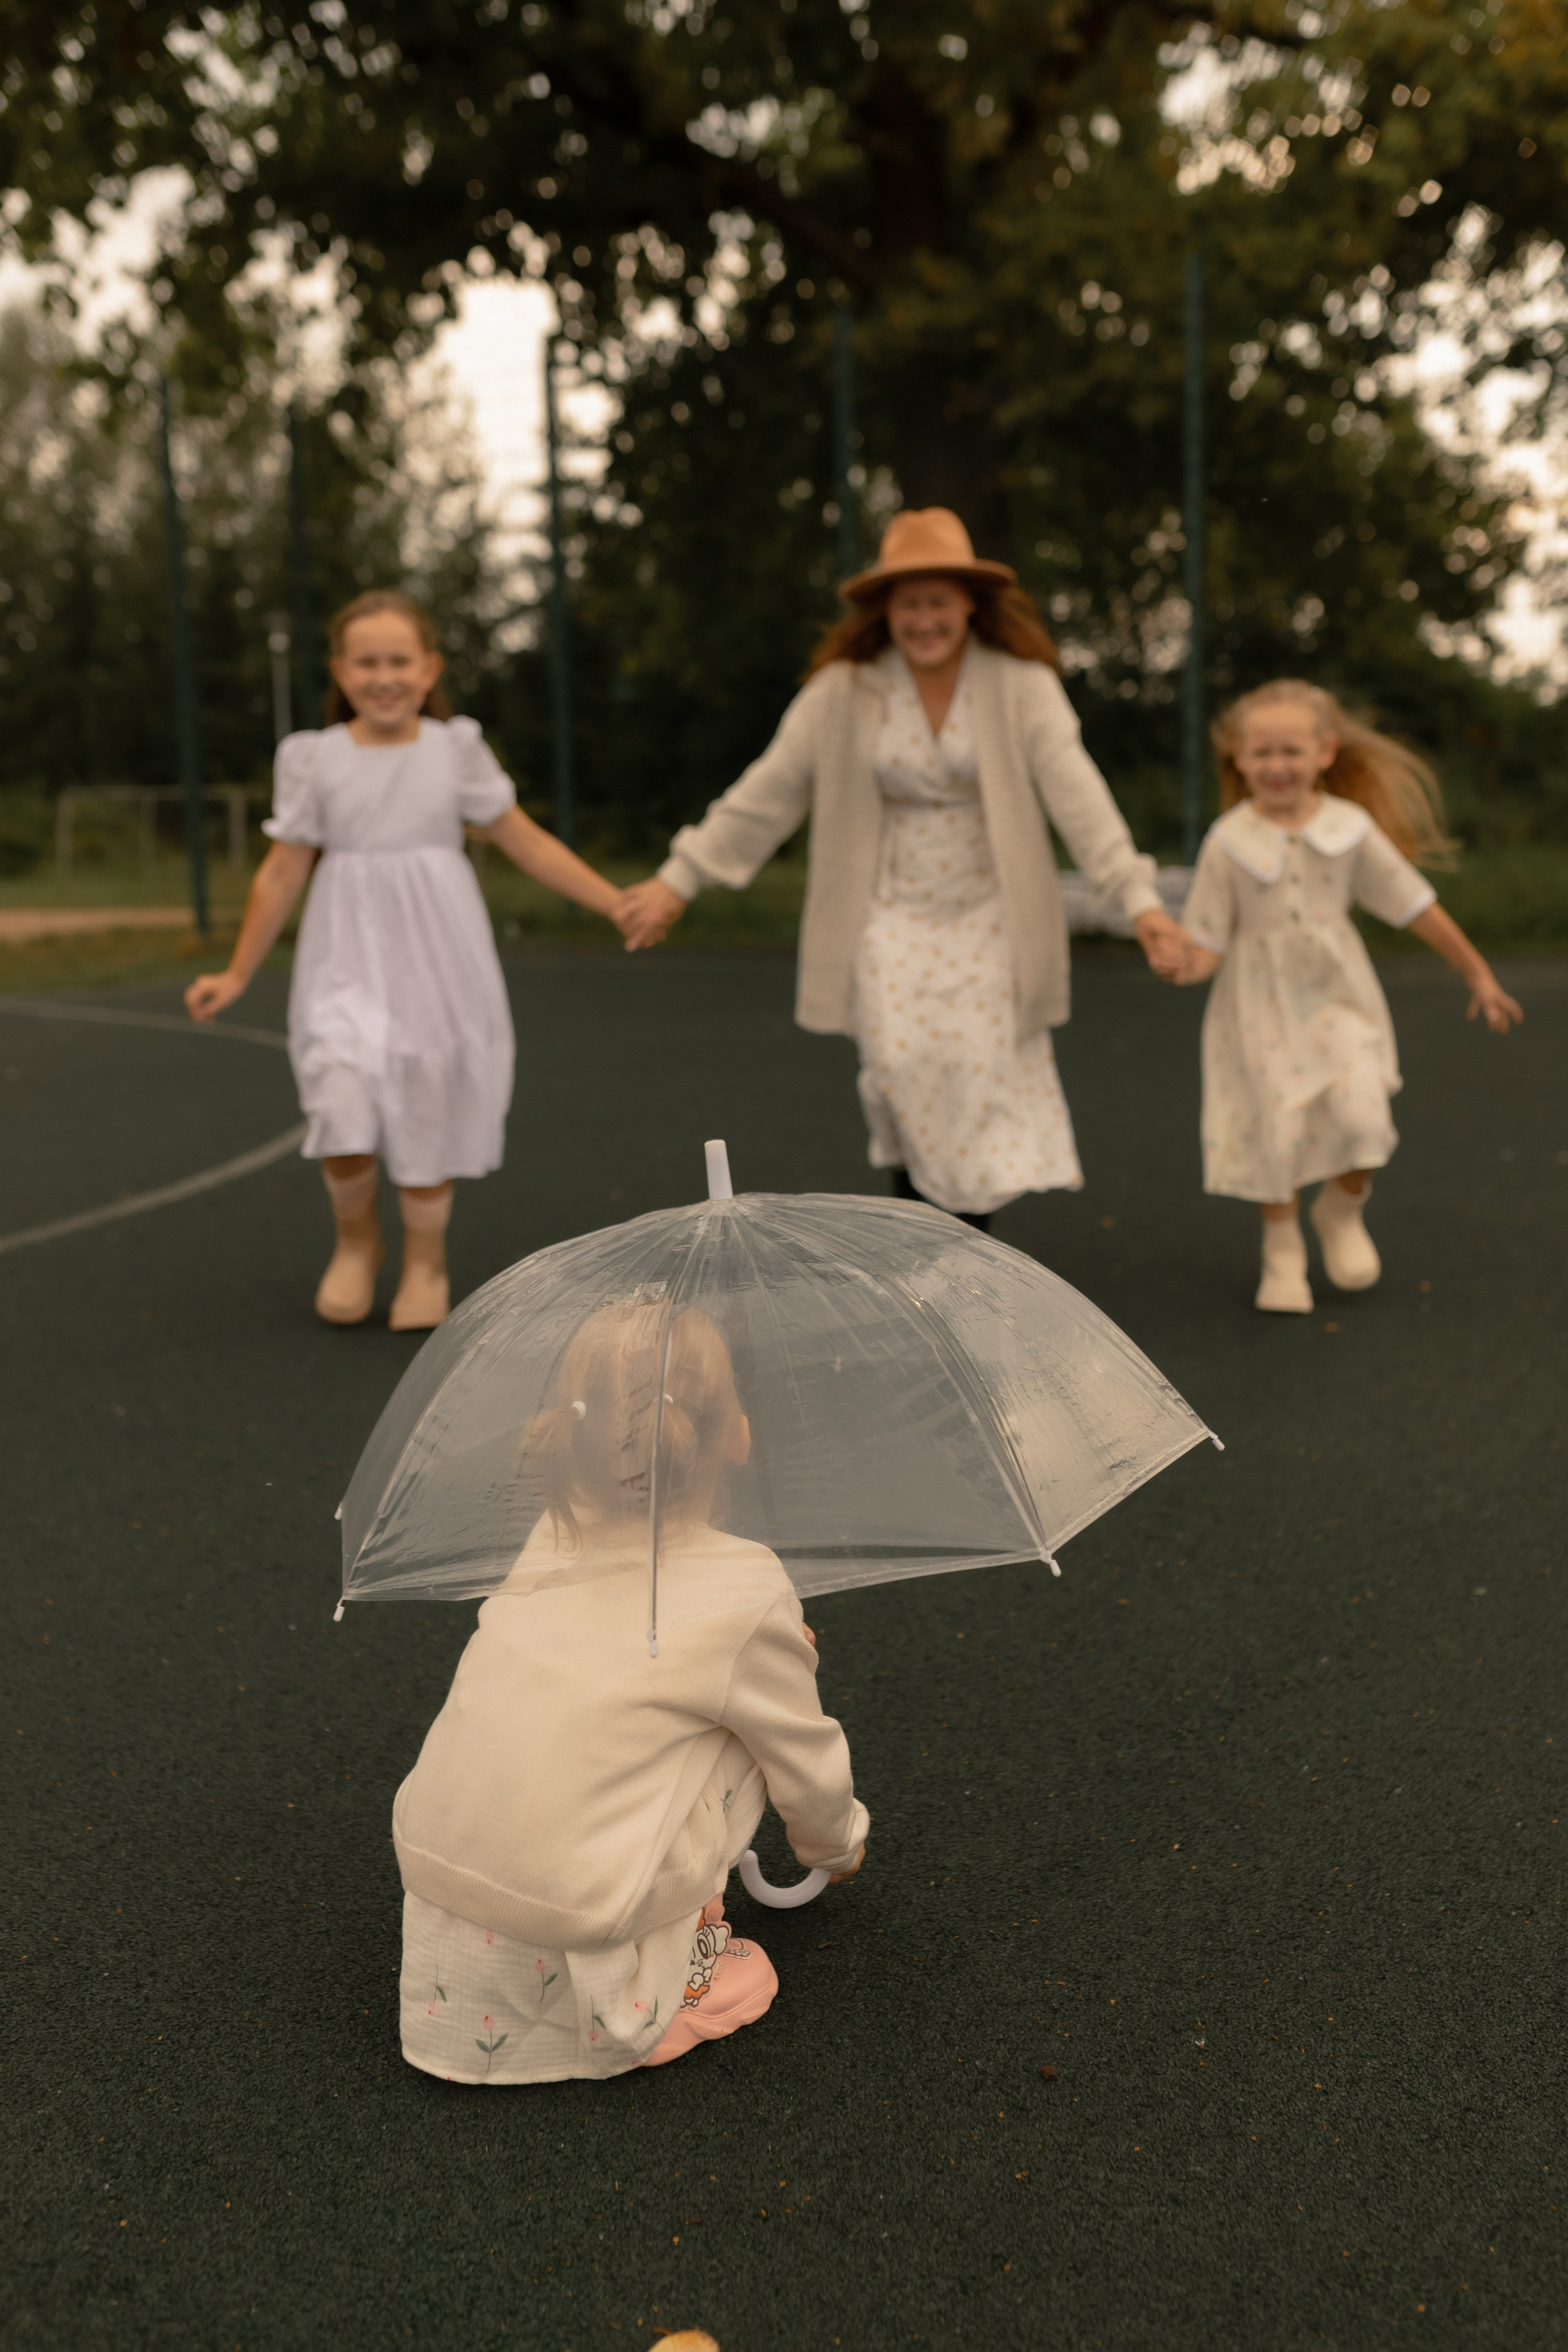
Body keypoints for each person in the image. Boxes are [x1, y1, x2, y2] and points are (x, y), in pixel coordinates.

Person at [618, 508, 1183, 1231]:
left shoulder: (1020, 685)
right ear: (884, 609)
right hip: (887, 915)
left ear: (970, 602)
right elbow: (769, 790)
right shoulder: (843, 690)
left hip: (990, 916)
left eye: (938, 601)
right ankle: (917, 1252)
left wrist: (1140, 903)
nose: (924, 620)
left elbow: (1080, 798)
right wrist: (678, 879)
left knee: (975, 1083)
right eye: (908, 603)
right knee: (902, 1072)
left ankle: (966, 1260)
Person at [392, 1299, 869, 2082]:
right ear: (736, 1435)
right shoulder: (747, 1584)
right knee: (750, 1729)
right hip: (585, 1911)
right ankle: (670, 1981)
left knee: (679, 1702)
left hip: (442, 1878)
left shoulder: (556, 1531)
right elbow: (804, 1754)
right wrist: (836, 1846)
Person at [185, 590, 631, 1330]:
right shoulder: (314, 758)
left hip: (436, 956)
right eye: (367, 663)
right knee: (339, 1095)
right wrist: (236, 973)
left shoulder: (453, 750)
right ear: (340, 671)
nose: (384, 677)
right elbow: (283, 872)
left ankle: (425, 1259)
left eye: (399, 661)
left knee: (428, 1095)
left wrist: (613, 902)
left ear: (429, 669)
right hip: (344, 956)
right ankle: (357, 1242)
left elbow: (525, 841)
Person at [1162, 678, 1523, 1313]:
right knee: (1276, 1126)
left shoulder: (1349, 829)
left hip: (1338, 1000)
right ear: (1239, 758)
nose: (1277, 765)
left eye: (1291, 751)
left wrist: (1476, 972)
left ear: (1325, 751)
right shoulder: (1227, 841)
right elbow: (1208, 944)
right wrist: (1178, 962)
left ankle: (1341, 1209)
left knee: (1364, 1116)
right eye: (1262, 752)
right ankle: (1282, 1252)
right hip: (1258, 1007)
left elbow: (1413, 904)